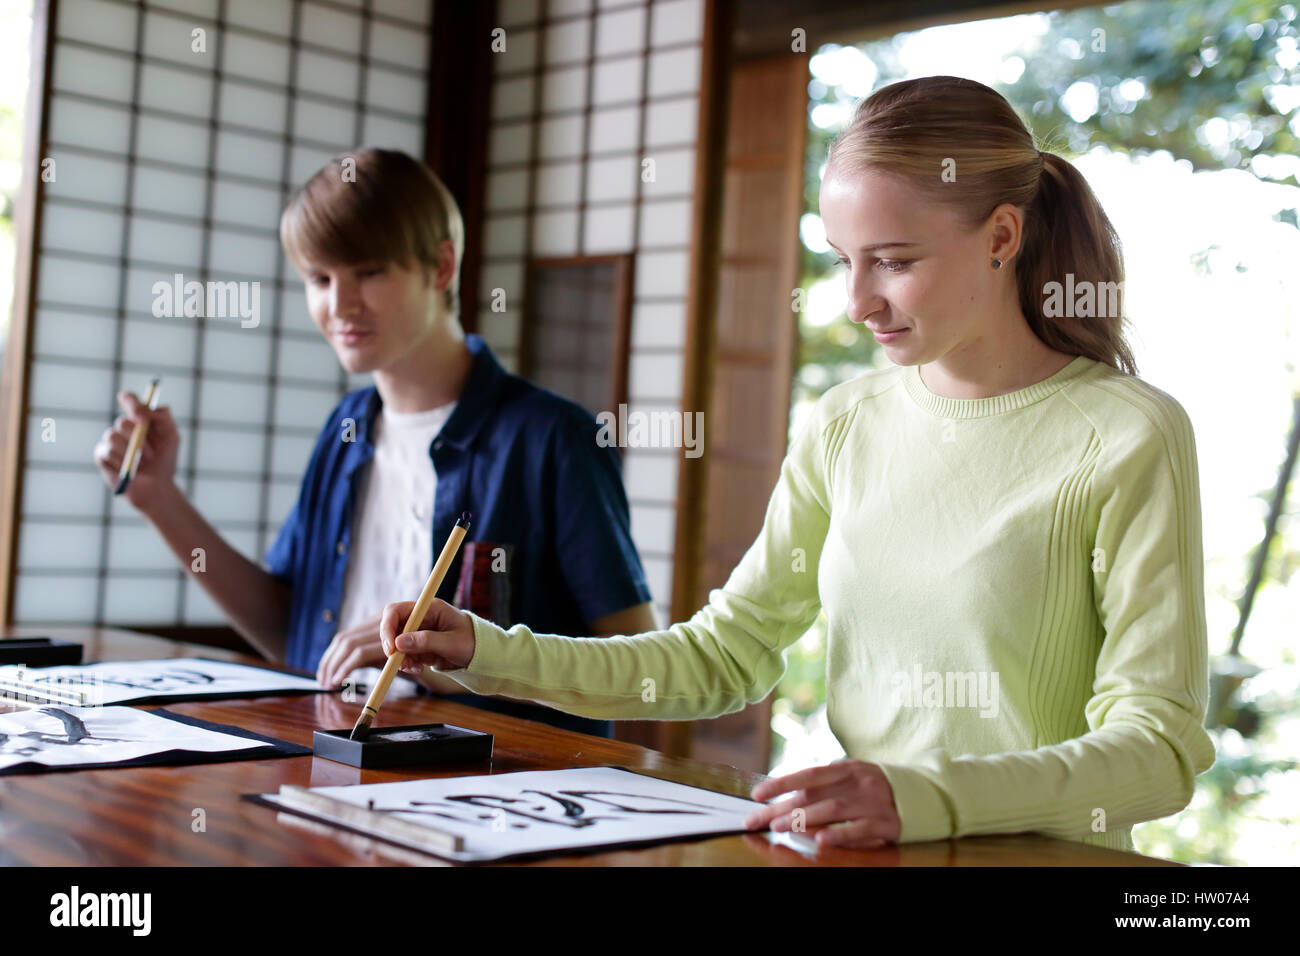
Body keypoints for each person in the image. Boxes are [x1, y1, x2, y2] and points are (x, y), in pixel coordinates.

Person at [374, 76, 1216, 849]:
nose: (857, 302)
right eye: (845, 261)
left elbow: (1159, 748)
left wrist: (923, 799)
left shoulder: (1129, 434)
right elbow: (723, 656)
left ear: (1001, 235)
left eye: (895, 260)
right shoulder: (846, 423)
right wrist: (487, 651)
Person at [93, 148, 656, 739]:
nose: (339, 305)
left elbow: (640, 664)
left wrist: (466, 662)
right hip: (323, 756)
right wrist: (158, 498)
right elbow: (293, 630)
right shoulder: (347, 428)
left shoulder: (552, 438)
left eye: (368, 271)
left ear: (440, 268)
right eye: (319, 279)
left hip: (488, 793)